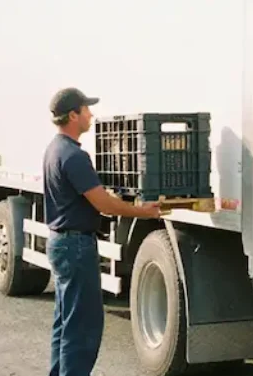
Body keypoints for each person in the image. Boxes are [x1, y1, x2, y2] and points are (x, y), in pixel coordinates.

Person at [43, 87, 160, 376]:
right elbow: (103, 203)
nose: (91, 114)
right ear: (73, 115)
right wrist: (143, 211)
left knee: (67, 322)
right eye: (86, 109)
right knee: (82, 327)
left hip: (61, 243)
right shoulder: (72, 156)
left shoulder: (54, 149)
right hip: (75, 246)